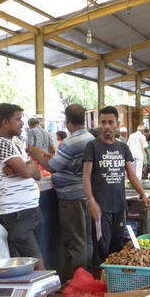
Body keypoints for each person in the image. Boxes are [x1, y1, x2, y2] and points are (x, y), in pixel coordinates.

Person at [29, 104, 94, 282]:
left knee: (75, 242)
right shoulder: (89, 137)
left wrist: (37, 154)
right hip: (85, 195)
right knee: (86, 240)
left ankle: (77, 282)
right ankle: (87, 277)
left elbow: (52, 166)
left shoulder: (71, 141)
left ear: (67, 121)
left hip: (71, 197)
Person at [83, 106, 150, 266]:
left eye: (110, 122)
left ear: (117, 124)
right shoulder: (92, 146)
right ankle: (99, 285)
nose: (106, 126)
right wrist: (91, 201)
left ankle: (112, 285)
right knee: (101, 249)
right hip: (101, 209)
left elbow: (131, 174)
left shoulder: (122, 147)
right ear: (99, 124)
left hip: (119, 207)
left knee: (116, 248)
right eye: (103, 122)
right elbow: (85, 175)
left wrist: (142, 193)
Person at [0, 103, 44, 269]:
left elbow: (37, 174)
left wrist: (26, 166)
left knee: (27, 260)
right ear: (5, 122)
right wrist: (27, 167)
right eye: (18, 119)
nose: (22, 123)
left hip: (27, 210)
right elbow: (27, 172)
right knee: (34, 260)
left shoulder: (13, 143)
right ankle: (46, 293)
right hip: (17, 211)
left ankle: (41, 293)